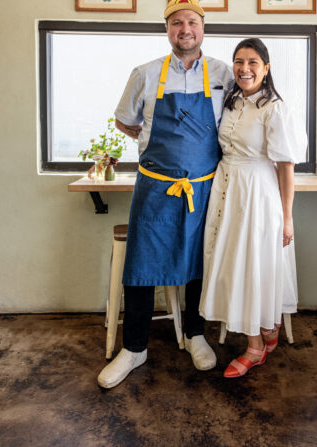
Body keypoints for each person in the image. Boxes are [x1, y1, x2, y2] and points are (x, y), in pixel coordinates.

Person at [98, 0, 233, 389]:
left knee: (197, 262)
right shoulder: (145, 73)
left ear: (203, 28)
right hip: (155, 186)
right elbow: (126, 121)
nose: (185, 29)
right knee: (139, 268)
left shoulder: (224, 73)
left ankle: (194, 335)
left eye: (192, 21)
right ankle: (134, 348)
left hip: (203, 187)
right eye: (177, 22)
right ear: (167, 29)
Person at [199, 38, 307, 378]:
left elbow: (285, 166)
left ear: (266, 67)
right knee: (234, 263)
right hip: (226, 188)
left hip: (257, 193)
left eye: (253, 62)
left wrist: (287, 219)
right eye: (239, 62)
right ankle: (267, 330)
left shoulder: (275, 108)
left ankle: (255, 348)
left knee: (252, 265)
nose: (244, 68)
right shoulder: (231, 102)